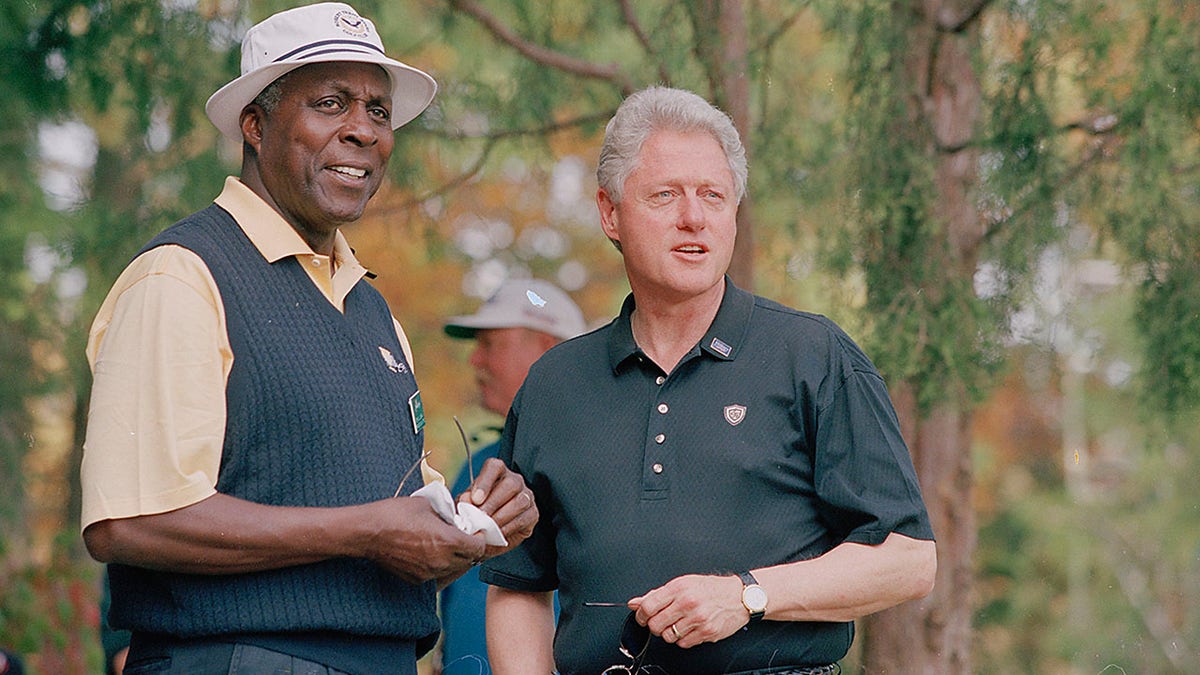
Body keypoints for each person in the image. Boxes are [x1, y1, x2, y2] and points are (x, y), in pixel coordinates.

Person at [78, 4, 537, 674]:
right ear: (255, 125)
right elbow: (129, 520)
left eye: (379, 111)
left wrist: (478, 526)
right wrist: (369, 531)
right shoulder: (184, 274)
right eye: (330, 103)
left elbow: (399, 541)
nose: (362, 129)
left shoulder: (373, 311)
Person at [480, 86, 938, 675]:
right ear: (610, 213)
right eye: (665, 195)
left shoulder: (813, 356)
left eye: (713, 196)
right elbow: (518, 586)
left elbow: (907, 559)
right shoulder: (553, 386)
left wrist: (746, 596)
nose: (693, 217)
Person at [437, 278, 585, 674]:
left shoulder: (598, 464)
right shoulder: (476, 465)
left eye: (490, 344)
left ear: (548, 352)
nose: (475, 361)